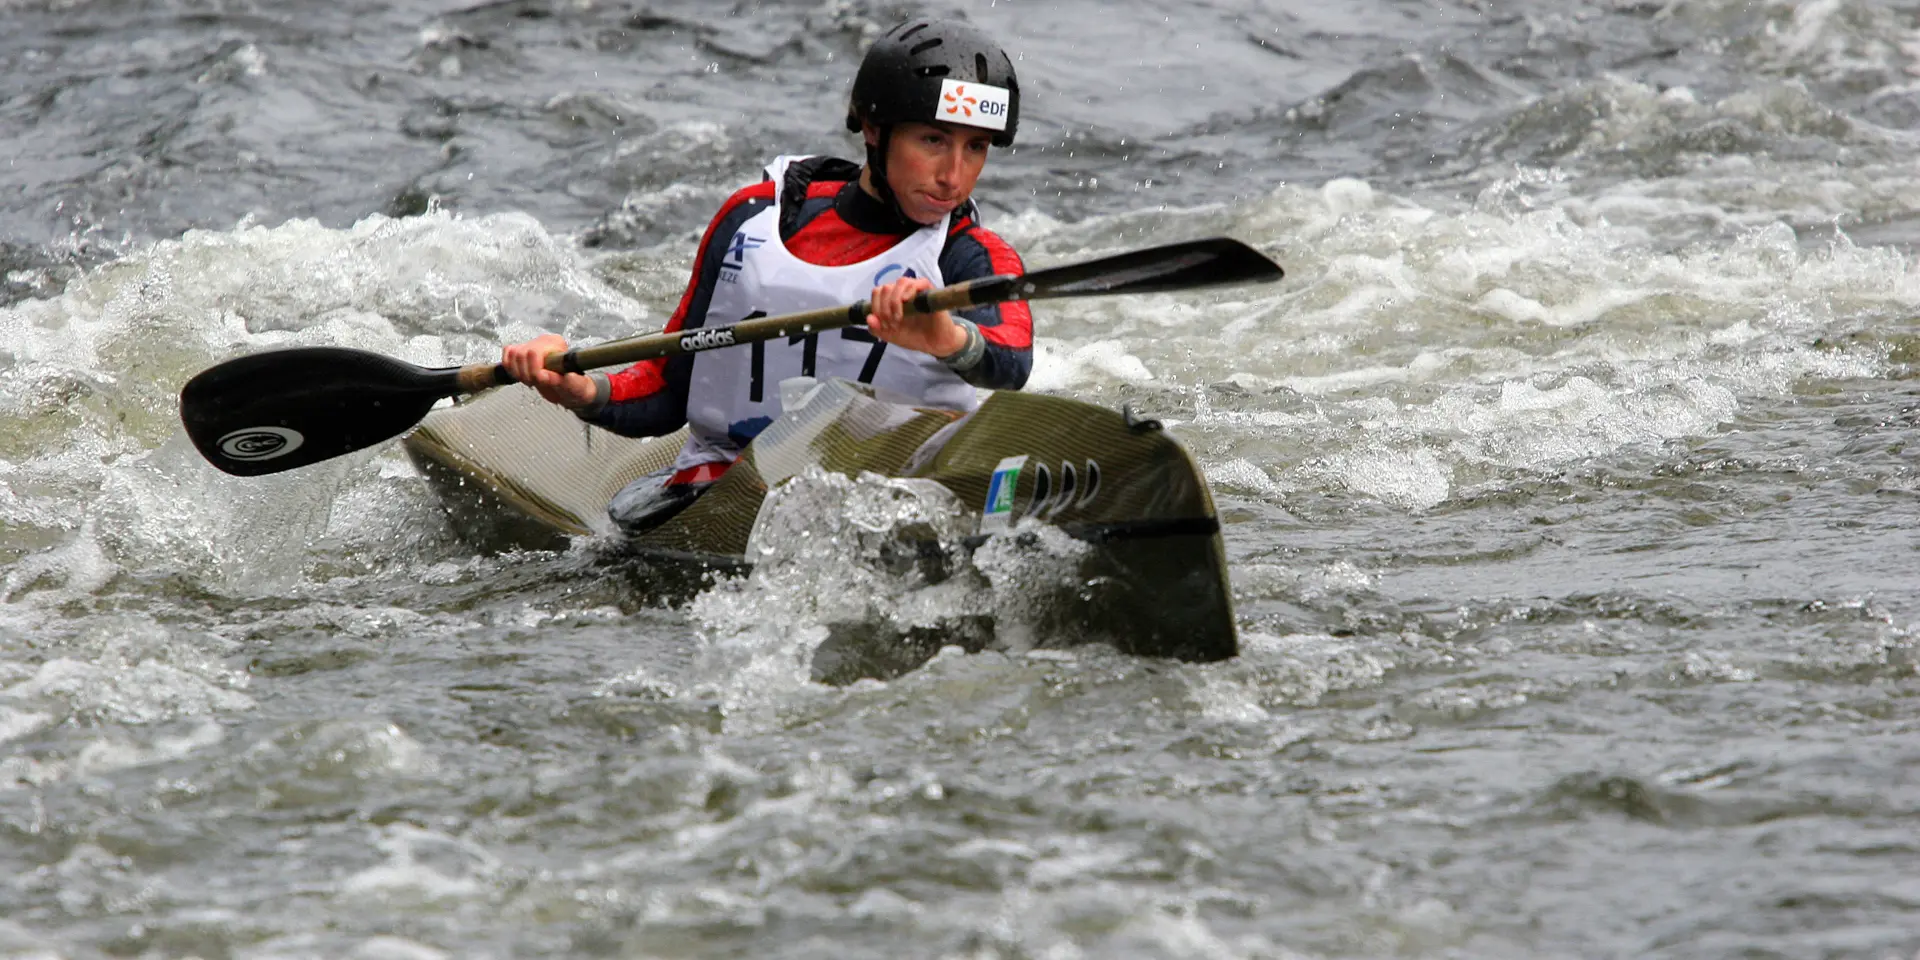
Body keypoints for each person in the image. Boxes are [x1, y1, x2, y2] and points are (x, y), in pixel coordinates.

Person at [500, 18, 1033, 532]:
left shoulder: (971, 257)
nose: (953, 176)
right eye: (934, 141)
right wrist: (582, 389)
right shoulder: (752, 219)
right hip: (727, 485)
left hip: (891, 496)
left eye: (976, 147)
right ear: (874, 129)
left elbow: (1011, 363)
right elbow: (669, 387)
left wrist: (946, 338)